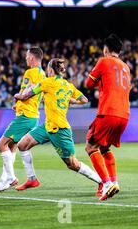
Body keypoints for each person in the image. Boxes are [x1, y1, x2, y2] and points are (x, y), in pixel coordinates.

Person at [14, 58, 102, 192]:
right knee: (22, 145)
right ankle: (32, 179)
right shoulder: (68, 85)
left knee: (72, 164)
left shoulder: (46, 82)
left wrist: (17, 96)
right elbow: (84, 100)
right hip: (48, 125)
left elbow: (26, 95)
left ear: (50, 69)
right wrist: (68, 100)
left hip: (60, 129)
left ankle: (101, 182)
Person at [0, 47, 45, 193]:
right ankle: (3, 180)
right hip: (32, 115)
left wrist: (19, 97)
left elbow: (29, 90)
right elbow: (34, 90)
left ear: (32, 58)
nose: (26, 59)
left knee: (1, 144)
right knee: (12, 146)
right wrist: (18, 103)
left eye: (27, 56)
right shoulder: (42, 74)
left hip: (26, 116)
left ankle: (11, 177)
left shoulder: (31, 72)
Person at [84, 34, 131, 201]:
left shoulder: (103, 61)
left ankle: (106, 184)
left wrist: (100, 81)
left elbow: (88, 84)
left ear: (106, 50)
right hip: (124, 115)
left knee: (90, 147)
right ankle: (114, 182)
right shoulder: (126, 67)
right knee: (104, 148)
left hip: (108, 111)